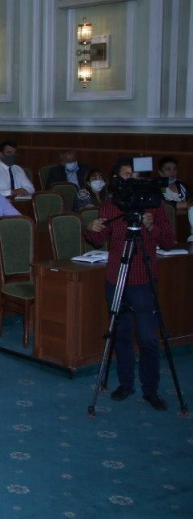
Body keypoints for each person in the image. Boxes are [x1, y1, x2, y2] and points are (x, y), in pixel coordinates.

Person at [85, 159, 177, 411]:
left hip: (144, 279)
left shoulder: (153, 205)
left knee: (148, 338)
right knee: (122, 335)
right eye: (127, 175)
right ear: (117, 179)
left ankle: (151, 389)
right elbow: (96, 238)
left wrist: (152, 226)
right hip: (117, 278)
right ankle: (126, 383)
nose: (132, 179)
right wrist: (91, 228)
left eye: (136, 175)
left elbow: (169, 241)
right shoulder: (111, 204)